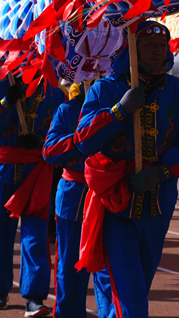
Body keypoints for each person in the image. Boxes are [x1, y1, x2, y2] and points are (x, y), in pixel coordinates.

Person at [75, 19, 179, 318]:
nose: (159, 51)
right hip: (116, 206)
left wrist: (161, 172)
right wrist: (119, 111)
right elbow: (83, 141)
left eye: (163, 45)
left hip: (158, 206)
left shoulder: (178, 90)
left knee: (135, 290)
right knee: (130, 300)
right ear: (132, 48)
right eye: (149, 45)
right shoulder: (104, 90)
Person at [0, 66, 66, 314]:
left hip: (35, 172)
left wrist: (40, 142)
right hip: (2, 171)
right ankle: (0, 290)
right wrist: (8, 101)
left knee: (36, 234)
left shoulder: (53, 93)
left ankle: (34, 296)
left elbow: (59, 132)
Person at [43, 82, 112, 318]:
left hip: (110, 194)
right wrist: (83, 138)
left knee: (110, 266)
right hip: (74, 195)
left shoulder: (117, 106)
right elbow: (50, 151)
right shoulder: (66, 110)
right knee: (70, 264)